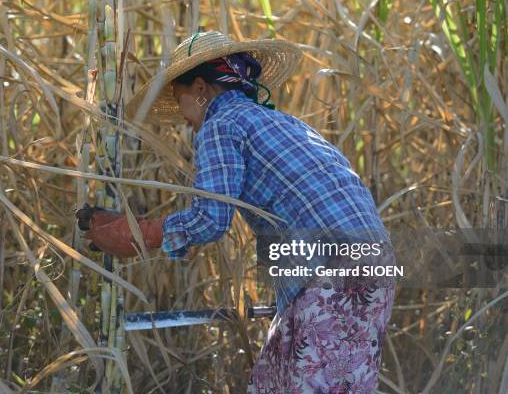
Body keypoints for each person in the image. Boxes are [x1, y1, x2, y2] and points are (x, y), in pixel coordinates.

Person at [76, 31, 396, 393]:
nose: (185, 120)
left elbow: (211, 219)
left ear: (199, 89)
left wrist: (139, 234)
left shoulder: (220, 126)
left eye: (181, 101)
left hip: (329, 274)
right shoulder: (287, 124)